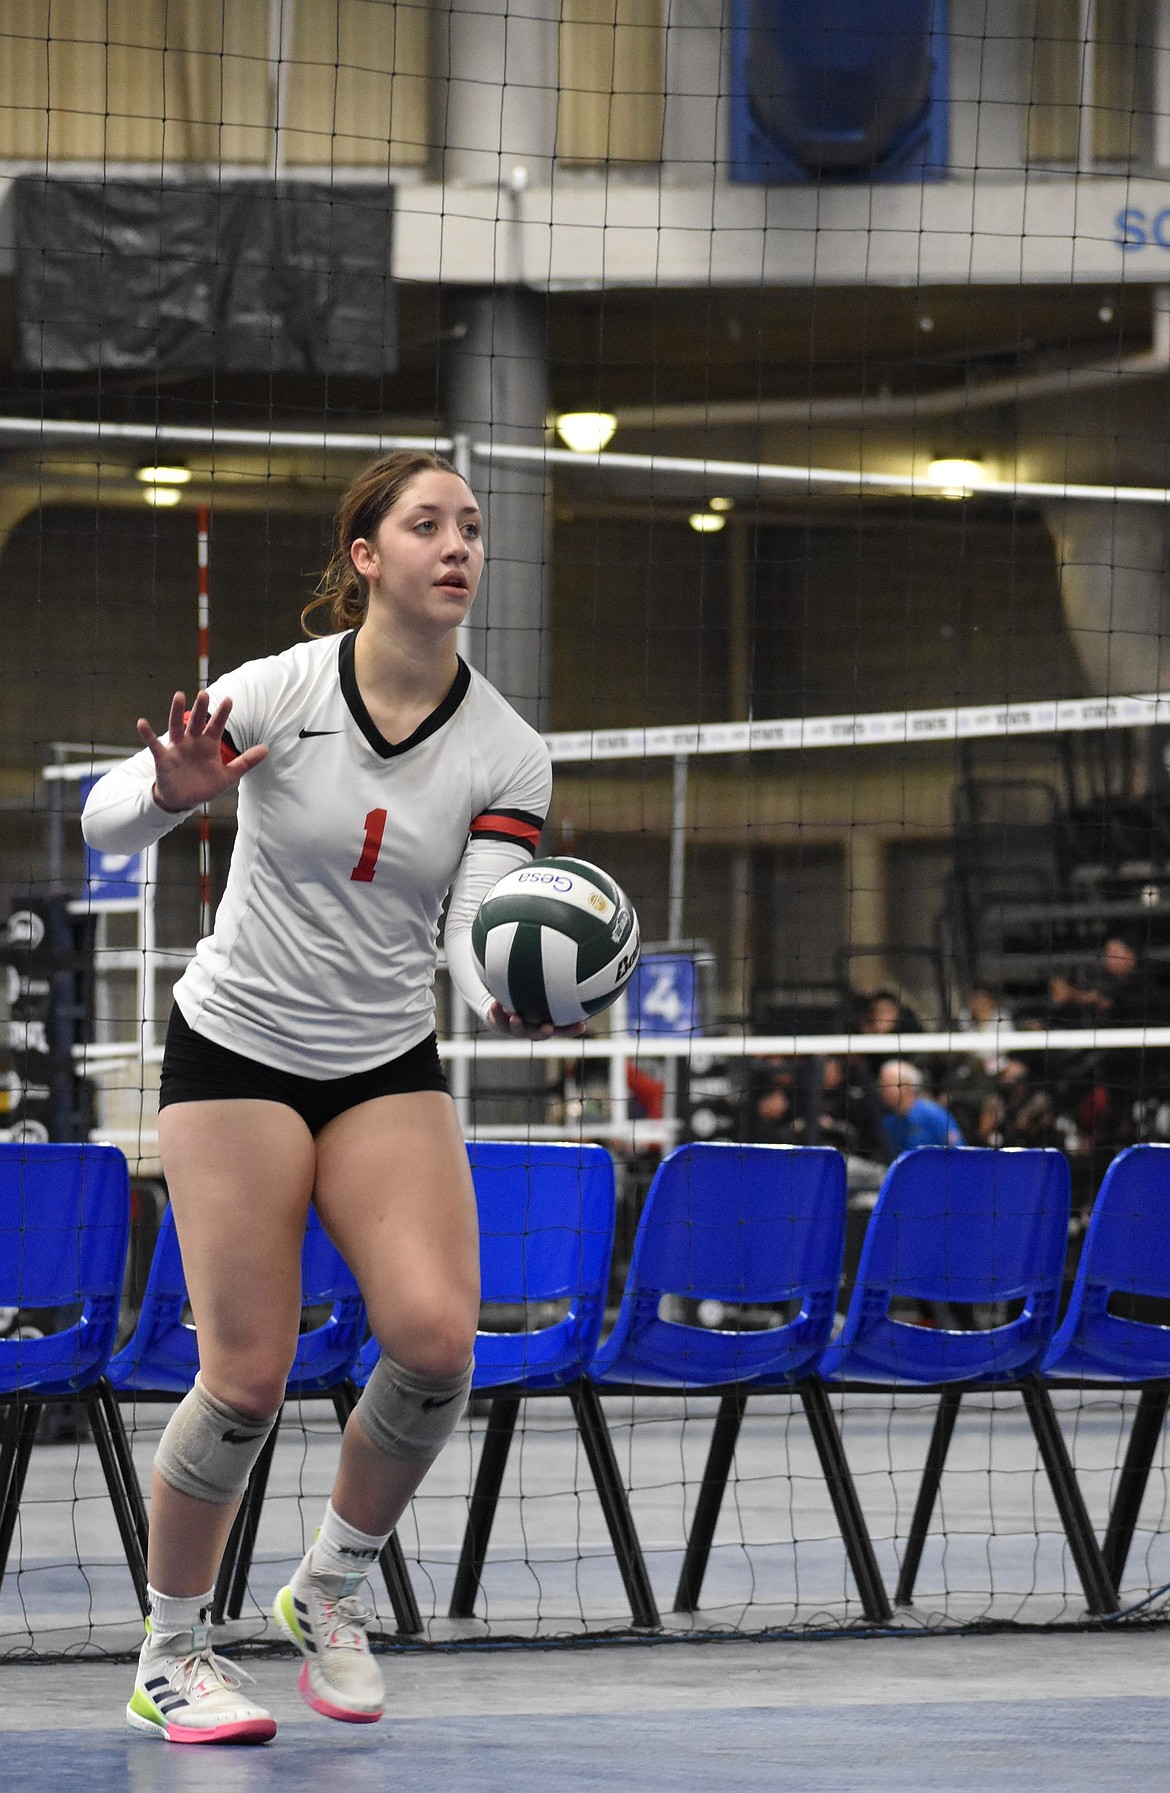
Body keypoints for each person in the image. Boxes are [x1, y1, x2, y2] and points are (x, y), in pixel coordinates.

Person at [82, 450, 581, 1746]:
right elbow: (97, 821)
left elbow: (475, 924)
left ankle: (328, 1590)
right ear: (366, 557)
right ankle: (171, 1650)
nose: (457, 544)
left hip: (377, 1061)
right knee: (246, 1375)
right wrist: (164, 795)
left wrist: (512, 979)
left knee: (433, 1337)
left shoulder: (507, 751)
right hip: (236, 1048)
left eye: (471, 527)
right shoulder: (275, 690)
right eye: (427, 525)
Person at [876, 1058, 964, 1156]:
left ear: (906, 1086)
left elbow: (957, 1151)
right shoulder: (888, 1122)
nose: (882, 1091)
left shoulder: (934, 1115)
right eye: (881, 1085)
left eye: (887, 1085)